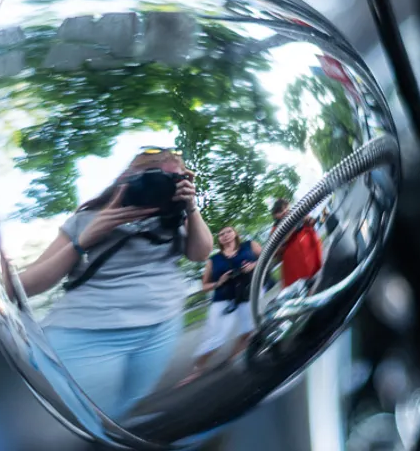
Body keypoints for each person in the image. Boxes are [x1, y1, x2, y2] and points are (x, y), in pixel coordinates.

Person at [18, 147, 213, 419]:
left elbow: (200, 254)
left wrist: (190, 207)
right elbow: (27, 285)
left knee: (122, 413)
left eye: (174, 180)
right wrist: (85, 239)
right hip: (86, 332)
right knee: (69, 423)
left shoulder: (176, 219)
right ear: (126, 178)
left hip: (163, 327)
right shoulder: (85, 220)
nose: (159, 187)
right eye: (152, 177)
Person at [180, 226, 262, 384]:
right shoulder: (213, 260)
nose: (225, 236)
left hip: (247, 294)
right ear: (218, 239)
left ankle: (234, 357)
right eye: (221, 234)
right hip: (223, 299)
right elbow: (204, 286)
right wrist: (220, 282)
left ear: (235, 233)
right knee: (215, 336)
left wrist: (253, 266)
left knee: (249, 329)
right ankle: (197, 368)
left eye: (228, 232)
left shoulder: (249, 245)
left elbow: (267, 257)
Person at [271, 198, 323, 289]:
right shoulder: (275, 229)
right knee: (304, 288)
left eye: (285, 208)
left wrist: (308, 220)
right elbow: (276, 249)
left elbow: (312, 223)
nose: (284, 212)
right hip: (295, 266)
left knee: (320, 280)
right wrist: (293, 227)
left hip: (311, 254)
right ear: (275, 215)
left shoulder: (298, 214)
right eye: (280, 211)